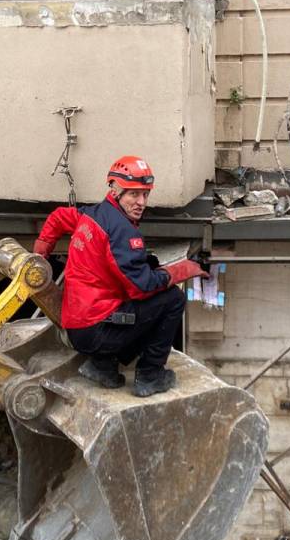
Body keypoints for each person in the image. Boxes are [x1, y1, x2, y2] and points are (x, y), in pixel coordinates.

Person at [33, 155, 207, 396]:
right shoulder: (124, 233)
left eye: (145, 194)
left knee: (136, 298)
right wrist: (179, 271)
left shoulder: (92, 215)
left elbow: (58, 217)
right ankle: (150, 376)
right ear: (115, 191)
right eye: (133, 194)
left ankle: (102, 366)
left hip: (76, 325)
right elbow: (142, 288)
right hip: (96, 331)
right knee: (172, 299)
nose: (141, 202)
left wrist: (41, 250)